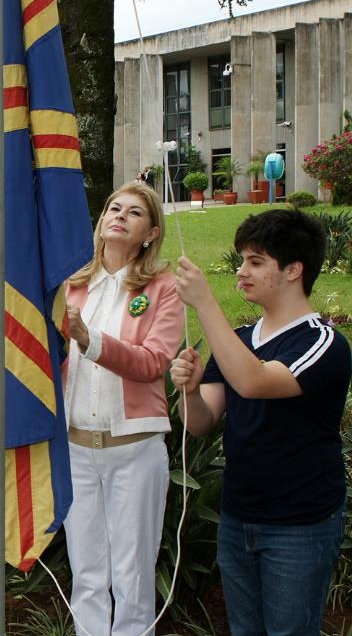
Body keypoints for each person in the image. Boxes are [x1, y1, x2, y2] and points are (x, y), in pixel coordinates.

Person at [170, 209, 350, 636]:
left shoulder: (322, 342)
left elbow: (253, 383)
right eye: (242, 260)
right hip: (238, 516)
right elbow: (201, 423)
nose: (242, 271)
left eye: (256, 261)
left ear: (293, 270)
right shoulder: (241, 338)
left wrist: (205, 302)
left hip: (300, 525)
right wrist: (191, 390)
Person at [61, 181, 184, 636]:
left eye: (134, 212)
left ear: (150, 233)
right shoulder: (72, 284)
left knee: (132, 576)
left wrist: (90, 340)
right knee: (87, 573)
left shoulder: (162, 288)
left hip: (134, 451)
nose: (119, 215)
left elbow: (154, 362)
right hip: (75, 449)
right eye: (114, 207)